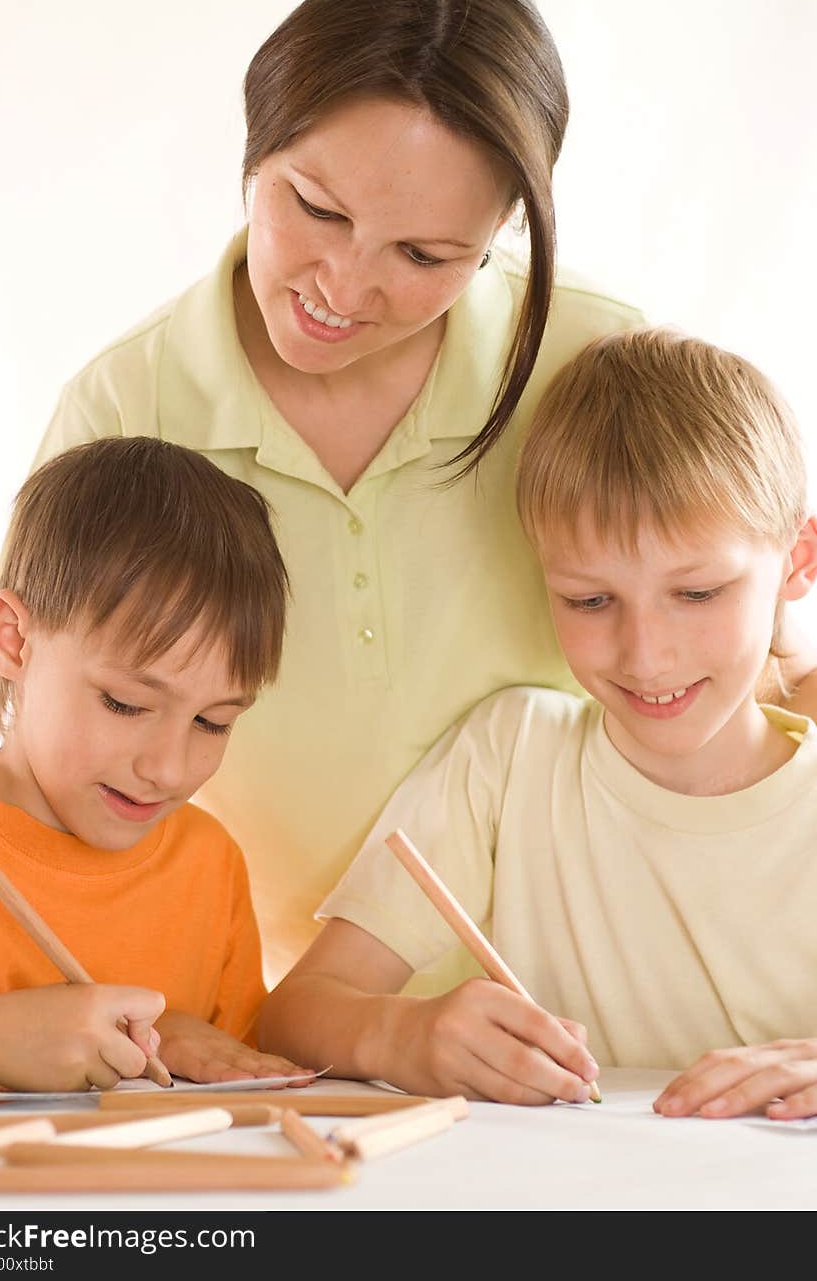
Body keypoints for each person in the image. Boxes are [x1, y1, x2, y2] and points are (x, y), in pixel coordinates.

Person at [26, 0, 817, 990]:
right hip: (252, 1015)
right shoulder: (126, 407)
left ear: (497, 236)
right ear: (254, 153)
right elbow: (44, 739)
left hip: (571, 1014)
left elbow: (758, 659)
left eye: (424, 256)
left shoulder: (585, 359)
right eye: (315, 208)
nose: (344, 287)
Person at [256, 328, 817, 1122]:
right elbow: (290, 1012)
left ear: (798, 560)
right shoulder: (511, 756)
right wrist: (399, 1032)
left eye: (697, 593)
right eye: (591, 600)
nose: (647, 655)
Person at [0, 436, 312, 1092]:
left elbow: (244, 1095)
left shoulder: (209, 866)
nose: (168, 768)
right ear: (13, 640)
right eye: (126, 702)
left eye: (212, 721)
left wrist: (187, 1035)